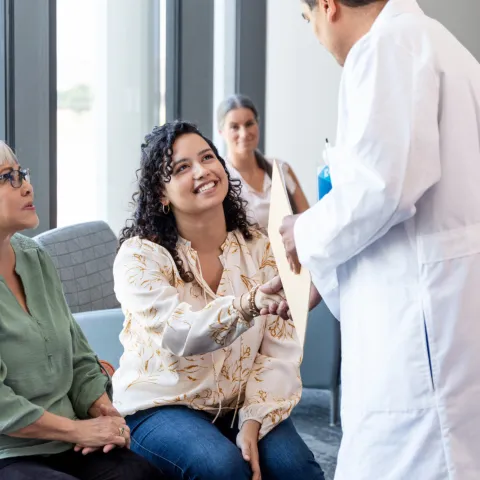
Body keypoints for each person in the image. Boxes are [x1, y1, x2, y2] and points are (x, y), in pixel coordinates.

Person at [261, 0, 480, 478]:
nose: (315, 34)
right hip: (439, 305)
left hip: (415, 326)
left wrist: (305, 230)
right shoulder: (442, 45)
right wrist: (321, 273)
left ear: (328, 6)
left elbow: (383, 188)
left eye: (308, 20)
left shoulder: (387, 47)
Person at [113, 121, 325, 480]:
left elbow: (279, 349)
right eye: (182, 167)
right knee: (222, 467)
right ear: (161, 194)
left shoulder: (261, 248)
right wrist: (250, 303)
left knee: (296, 470)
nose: (203, 171)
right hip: (162, 406)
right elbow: (179, 332)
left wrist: (253, 421)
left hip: (242, 400)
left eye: (208, 157)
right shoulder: (139, 257)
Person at [0, 142, 162, 479]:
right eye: (7, 178)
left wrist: (102, 410)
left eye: (21, 174)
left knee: (141, 475)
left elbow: (78, 356)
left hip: (69, 441)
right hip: (11, 453)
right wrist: (78, 431)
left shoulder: (34, 256)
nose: (27, 185)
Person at [217, 94, 309, 232]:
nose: (244, 133)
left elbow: (306, 220)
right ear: (221, 132)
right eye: (234, 127)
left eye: (249, 124)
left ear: (257, 124)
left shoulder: (281, 168)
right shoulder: (221, 177)